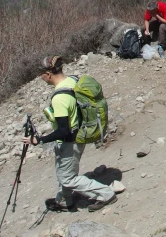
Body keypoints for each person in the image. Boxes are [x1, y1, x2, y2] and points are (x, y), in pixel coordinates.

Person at [23, 56, 117, 212]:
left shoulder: (59, 98)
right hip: (80, 134)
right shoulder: (72, 81)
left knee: (67, 178)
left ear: (48, 74)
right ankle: (64, 201)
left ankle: (106, 194)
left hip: (69, 141)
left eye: (41, 74)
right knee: (64, 171)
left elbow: (63, 130)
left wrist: (39, 140)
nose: (40, 77)